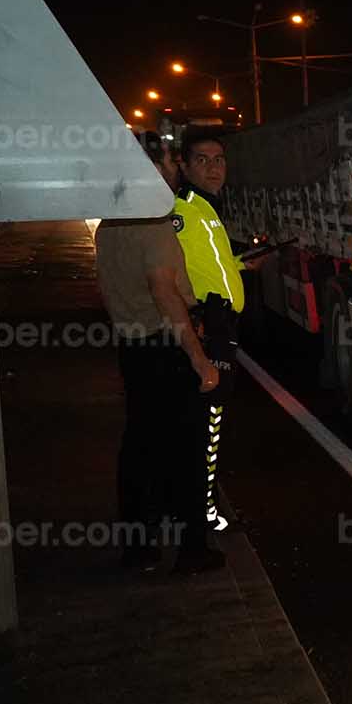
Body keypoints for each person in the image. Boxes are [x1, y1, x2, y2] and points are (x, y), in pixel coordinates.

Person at [95, 133, 220, 572]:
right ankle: (191, 549)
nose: (174, 168)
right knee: (187, 449)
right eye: (169, 160)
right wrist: (197, 357)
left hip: (132, 346)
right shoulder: (155, 221)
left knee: (141, 445)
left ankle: (139, 546)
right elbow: (163, 290)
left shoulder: (112, 224)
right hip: (165, 347)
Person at [170, 129, 245, 562]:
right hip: (208, 326)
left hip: (220, 323)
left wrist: (241, 265)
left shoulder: (207, 210)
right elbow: (173, 273)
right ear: (184, 164)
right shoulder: (185, 211)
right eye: (202, 160)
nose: (214, 168)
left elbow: (210, 264)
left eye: (219, 159)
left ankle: (200, 507)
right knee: (208, 425)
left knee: (210, 422)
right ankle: (201, 517)